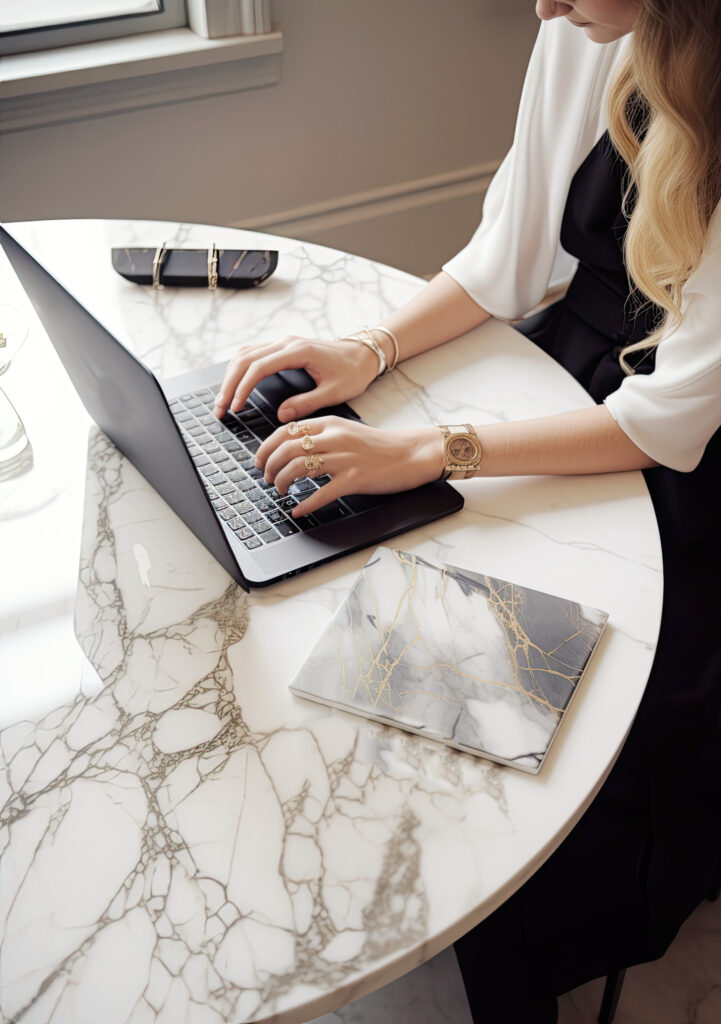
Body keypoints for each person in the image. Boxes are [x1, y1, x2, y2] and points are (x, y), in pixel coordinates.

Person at [215, 1, 721, 1019]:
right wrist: (372, 347)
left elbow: (671, 420)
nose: (542, 8)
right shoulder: (588, 25)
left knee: (533, 733)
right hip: (572, 382)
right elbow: (508, 252)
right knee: (373, 639)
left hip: (686, 461)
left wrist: (426, 453)